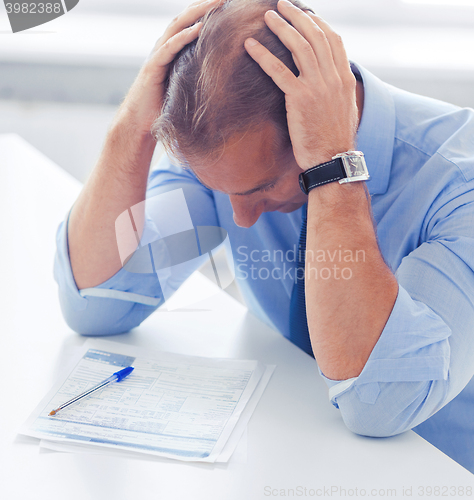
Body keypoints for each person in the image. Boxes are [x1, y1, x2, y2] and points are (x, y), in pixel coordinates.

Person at [54, 0, 474, 473]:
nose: (241, 217)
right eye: (224, 191)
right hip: (288, 460)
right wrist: (133, 124)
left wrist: (334, 165)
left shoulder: (458, 183)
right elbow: (99, 301)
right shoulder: (231, 161)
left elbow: (381, 404)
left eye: (261, 187)